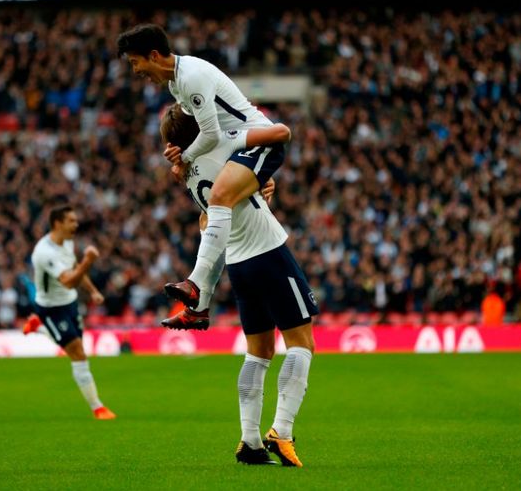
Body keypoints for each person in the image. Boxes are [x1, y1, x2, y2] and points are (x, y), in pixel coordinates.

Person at [160, 104, 317, 466]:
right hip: (268, 253)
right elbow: (273, 136)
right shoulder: (219, 151)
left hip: (238, 264)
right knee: (302, 343)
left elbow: (207, 218)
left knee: (258, 353)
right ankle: (282, 430)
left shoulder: (188, 172)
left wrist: (260, 186)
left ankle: (249, 441)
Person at [118, 24, 286, 329]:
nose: (136, 71)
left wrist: (185, 158)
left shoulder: (191, 77)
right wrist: (179, 154)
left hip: (256, 141)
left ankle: (195, 285)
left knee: (219, 199)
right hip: (233, 149)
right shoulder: (176, 85)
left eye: (135, 62)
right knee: (209, 219)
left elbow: (209, 134)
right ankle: (199, 307)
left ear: (153, 55)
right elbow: (199, 134)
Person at [27, 205, 115, 420]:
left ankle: (38, 327)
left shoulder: (67, 242)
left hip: (70, 303)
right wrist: (88, 261)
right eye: (71, 221)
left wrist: (93, 290)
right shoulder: (44, 253)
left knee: (76, 347)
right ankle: (98, 407)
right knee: (77, 352)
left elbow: (74, 267)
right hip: (50, 308)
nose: (76, 224)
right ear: (57, 223)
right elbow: (67, 281)